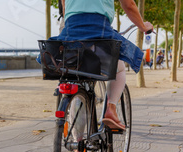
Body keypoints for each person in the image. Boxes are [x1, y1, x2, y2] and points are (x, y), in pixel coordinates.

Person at [56, 0, 152, 130]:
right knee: (119, 68)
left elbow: (64, 5)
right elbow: (129, 4)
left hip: (71, 32)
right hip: (99, 32)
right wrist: (143, 26)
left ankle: (77, 147)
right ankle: (111, 109)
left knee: (76, 79)